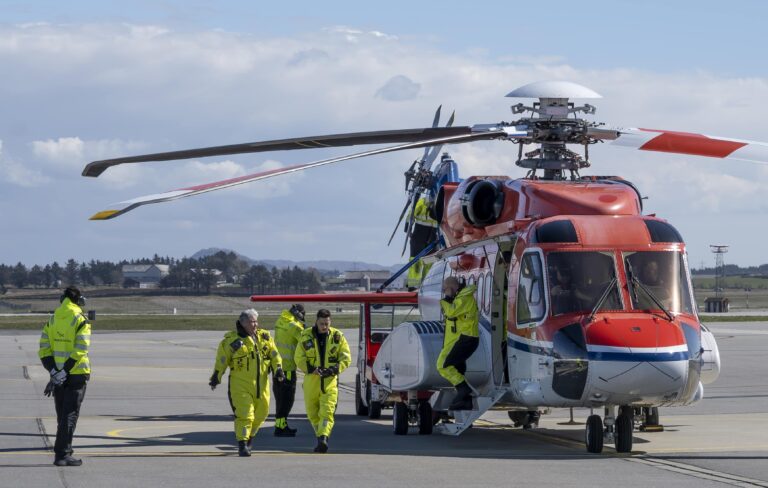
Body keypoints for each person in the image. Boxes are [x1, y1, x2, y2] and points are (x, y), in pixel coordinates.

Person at [209, 309, 284, 457]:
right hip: (240, 385)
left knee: (262, 414)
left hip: (262, 384)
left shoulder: (264, 337)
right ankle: (242, 444)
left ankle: (249, 437)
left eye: (256, 321)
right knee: (245, 415)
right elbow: (222, 360)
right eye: (251, 321)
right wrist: (216, 376)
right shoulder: (231, 341)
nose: (255, 324)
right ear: (243, 323)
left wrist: (278, 369)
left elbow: (274, 355)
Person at [38, 286, 91, 467]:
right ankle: (62, 454)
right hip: (75, 374)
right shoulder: (81, 319)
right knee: (69, 415)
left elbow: (44, 348)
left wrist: (54, 371)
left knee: (62, 415)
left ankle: (62, 451)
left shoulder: (52, 320)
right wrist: (64, 371)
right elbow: (81, 350)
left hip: (58, 376)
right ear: (79, 300)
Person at [295, 309, 351, 453]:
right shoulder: (306, 336)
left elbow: (346, 358)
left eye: (327, 323)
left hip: (329, 382)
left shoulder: (337, 337)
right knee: (312, 413)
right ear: (316, 322)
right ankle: (320, 436)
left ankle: (323, 438)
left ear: (330, 322)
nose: (324, 327)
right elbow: (299, 357)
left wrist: (333, 370)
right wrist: (311, 368)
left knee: (327, 412)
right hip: (311, 381)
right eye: (321, 324)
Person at [437, 277, 479, 411]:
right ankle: (464, 401)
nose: (444, 291)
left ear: (451, 287)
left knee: (443, 365)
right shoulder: (461, 297)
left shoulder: (464, 298)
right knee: (458, 370)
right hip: (461, 339)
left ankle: (464, 390)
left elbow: (451, 311)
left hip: (465, 339)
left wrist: (446, 299)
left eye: (445, 288)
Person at [272, 303, 305, 437]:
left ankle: (281, 425)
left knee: (280, 399)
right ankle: (280, 428)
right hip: (288, 369)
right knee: (287, 400)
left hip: (277, 368)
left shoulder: (281, 320)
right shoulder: (294, 326)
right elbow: (305, 339)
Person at [406, 195, 438, 289]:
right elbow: (410, 215)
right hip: (419, 233)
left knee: (431, 261)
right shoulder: (422, 201)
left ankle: (427, 285)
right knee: (416, 260)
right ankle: (412, 285)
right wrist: (407, 229)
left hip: (433, 234)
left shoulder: (442, 201)